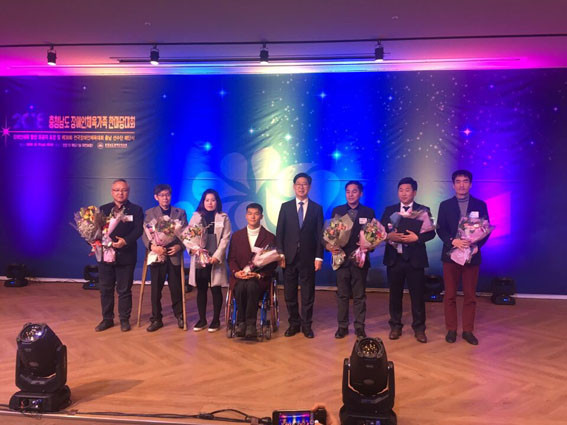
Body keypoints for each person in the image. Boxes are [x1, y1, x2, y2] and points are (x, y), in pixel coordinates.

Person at [437, 169, 490, 345]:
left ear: (470, 184)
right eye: (458, 181)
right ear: (453, 185)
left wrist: (476, 247)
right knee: (450, 295)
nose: (462, 185)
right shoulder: (445, 205)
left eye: (465, 181)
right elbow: (440, 229)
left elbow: (486, 230)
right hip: (451, 256)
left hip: (472, 256)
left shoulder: (480, 205)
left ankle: (468, 330)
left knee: (470, 295)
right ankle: (451, 329)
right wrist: (453, 241)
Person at [380, 177, 436, 343]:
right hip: (394, 259)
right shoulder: (390, 210)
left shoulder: (423, 210)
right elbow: (380, 231)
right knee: (394, 295)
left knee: (417, 296)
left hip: (415, 260)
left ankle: (419, 328)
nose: (404, 193)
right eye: (401, 190)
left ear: (414, 192)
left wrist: (417, 238)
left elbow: (431, 233)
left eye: (407, 190)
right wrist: (388, 236)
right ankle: (395, 326)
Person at [276, 172, 324, 339]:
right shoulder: (285, 207)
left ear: (309, 187)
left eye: (304, 184)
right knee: (289, 293)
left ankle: (307, 325)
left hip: (308, 258)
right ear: (294, 186)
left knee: (308, 293)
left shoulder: (317, 208)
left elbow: (320, 235)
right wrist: (280, 254)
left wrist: (319, 257)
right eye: (298, 184)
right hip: (288, 258)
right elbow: (280, 233)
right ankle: (294, 323)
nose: (301, 187)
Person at [329, 181, 375, 339]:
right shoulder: (338, 211)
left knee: (359, 296)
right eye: (348, 191)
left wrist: (369, 246)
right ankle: (342, 327)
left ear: (360, 193)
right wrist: (330, 245)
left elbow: (373, 236)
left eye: (354, 191)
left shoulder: (368, 212)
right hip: (341, 259)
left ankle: (359, 327)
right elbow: (331, 234)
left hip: (360, 259)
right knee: (342, 295)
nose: (351, 194)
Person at [96, 178, 143, 332]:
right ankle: (107, 319)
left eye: (123, 190)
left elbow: (138, 230)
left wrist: (125, 241)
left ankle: (124, 320)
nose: (120, 193)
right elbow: (95, 230)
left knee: (124, 290)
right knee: (105, 289)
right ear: (112, 192)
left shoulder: (135, 210)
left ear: (128, 192)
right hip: (106, 255)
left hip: (126, 255)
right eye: (117, 190)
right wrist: (94, 242)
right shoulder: (103, 209)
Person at [227, 203, 278, 338]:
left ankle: (250, 325)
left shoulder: (269, 237)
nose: (253, 217)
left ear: (261, 216)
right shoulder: (237, 236)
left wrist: (259, 274)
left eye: (256, 214)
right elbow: (231, 259)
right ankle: (242, 323)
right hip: (240, 277)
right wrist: (236, 272)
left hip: (259, 278)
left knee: (251, 286)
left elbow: (273, 262)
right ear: (246, 216)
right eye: (250, 213)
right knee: (241, 286)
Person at [142, 184, 187, 332]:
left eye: (167, 195)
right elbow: (145, 234)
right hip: (157, 254)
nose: (165, 198)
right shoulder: (150, 213)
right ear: (156, 197)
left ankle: (180, 315)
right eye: (162, 195)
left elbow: (186, 234)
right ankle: (156, 319)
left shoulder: (180, 213)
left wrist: (179, 246)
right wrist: (152, 247)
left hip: (173, 254)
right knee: (156, 289)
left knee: (176, 288)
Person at [188, 189, 231, 332]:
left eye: (213, 200)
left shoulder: (223, 217)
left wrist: (217, 256)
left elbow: (225, 239)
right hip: (200, 257)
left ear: (217, 202)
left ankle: (216, 320)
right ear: (203, 202)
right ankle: (202, 320)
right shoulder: (196, 217)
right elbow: (188, 237)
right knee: (201, 289)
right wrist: (194, 249)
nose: (210, 203)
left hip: (214, 257)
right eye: (207, 200)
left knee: (215, 288)